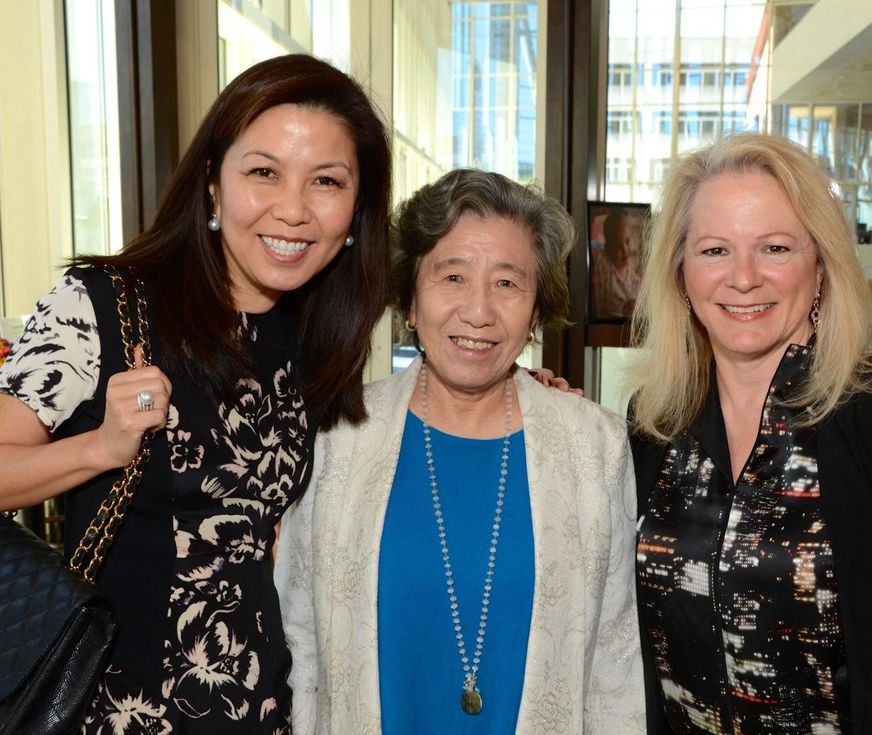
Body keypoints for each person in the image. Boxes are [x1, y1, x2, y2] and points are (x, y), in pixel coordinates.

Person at [0, 53, 391, 732]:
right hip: (113, 711)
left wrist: (520, 396)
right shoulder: (103, 306)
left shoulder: (311, 341)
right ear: (212, 185)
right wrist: (101, 447)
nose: (293, 209)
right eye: (263, 172)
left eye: (325, 181)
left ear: (356, 209)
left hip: (259, 706)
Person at [626, 133, 872, 734]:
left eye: (775, 247)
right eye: (714, 250)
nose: (743, 277)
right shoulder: (656, 422)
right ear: (680, 274)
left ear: (820, 265)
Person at [276, 168, 645, 734]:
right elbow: (297, 641)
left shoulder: (595, 447)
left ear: (536, 314)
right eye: (451, 277)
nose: (478, 312)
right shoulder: (338, 435)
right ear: (410, 302)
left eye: (507, 283)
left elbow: (617, 668)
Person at [592, 206, 642, 319]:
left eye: (628, 241)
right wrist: (594, 214)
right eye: (618, 246)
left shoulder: (635, 278)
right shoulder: (603, 263)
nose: (625, 250)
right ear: (607, 248)